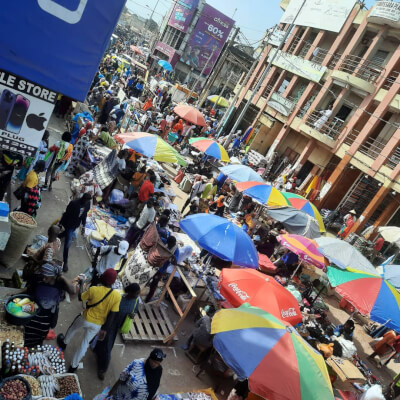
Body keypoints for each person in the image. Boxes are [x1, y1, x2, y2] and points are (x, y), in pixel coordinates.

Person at [57, 269, 122, 373]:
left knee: (73, 328)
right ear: (113, 282)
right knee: (85, 343)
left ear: (103, 277)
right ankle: (73, 366)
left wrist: (82, 283)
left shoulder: (94, 289)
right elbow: (113, 314)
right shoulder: (117, 296)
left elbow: (80, 298)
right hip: (97, 325)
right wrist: (104, 329)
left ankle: (64, 343)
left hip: (86, 318)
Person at [94, 283, 140, 380]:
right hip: (108, 323)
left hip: (117, 327)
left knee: (107, 347)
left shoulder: (136, 301)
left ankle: (103, 369)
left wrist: (133, 315)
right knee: (103, 340)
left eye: (137, 293)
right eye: (136, 293)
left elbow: (135, 310)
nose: (137, 295)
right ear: (129, 292)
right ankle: (98, 353)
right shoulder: (118, 297)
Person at [24, 262, 76, 347]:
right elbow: (27, 279)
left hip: (46, 318)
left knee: (39, 335)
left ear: (53, 277)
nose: (44, 279)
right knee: (27, 330)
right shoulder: (39, 280)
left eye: (46, 277)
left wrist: (61, 277)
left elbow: (73, 291)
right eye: (43, 276)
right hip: (32, 310)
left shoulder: (59, 284)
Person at [59, 193, 92, 272]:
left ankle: (57, 236)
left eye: (88, 201)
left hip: (76, 225)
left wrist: (83, 225)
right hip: (69, 224)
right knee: (68, 243)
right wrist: (60, 223)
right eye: (86, 201)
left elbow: (85, 214)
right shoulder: (74, 203)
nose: (86, 202)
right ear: (83, 199)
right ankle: (65, 261)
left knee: (66, 234)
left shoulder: (88, 204)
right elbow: (66, 214)